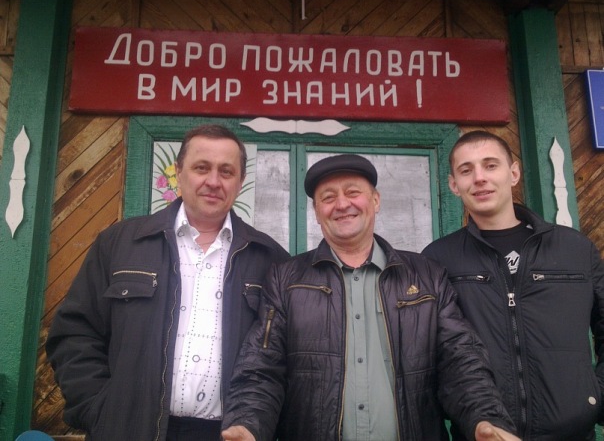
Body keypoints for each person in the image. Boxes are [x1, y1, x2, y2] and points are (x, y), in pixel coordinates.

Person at [221, 154, 520, 441]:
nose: (342, 204)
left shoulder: (427, 276)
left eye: (353, 192)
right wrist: (248, 426)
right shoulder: (285, 279)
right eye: (328, 198)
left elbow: (460, 361)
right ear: (316, 211)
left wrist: (485, 419)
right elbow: (262, 369)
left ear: (376, 201)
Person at [46, 124, 290, 441]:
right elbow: (75, 332)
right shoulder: (120, 244)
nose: (213, 181)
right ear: (178, 171)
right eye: (201, 168)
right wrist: (101, 410)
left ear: (240, 181)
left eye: (226, 171)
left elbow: (279, 359)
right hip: (129, 430)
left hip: (228, 435)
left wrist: (257, 425)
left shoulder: (270, 259)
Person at [422, 130, 604, 440]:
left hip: (574, 433)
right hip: (484, 433)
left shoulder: (574, 249)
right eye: (466, 170)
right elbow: (436, 356)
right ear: (454, 185)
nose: (479, 177)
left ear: (514, 173)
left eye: (490, 165)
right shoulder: (438, 258)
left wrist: (595, 397)